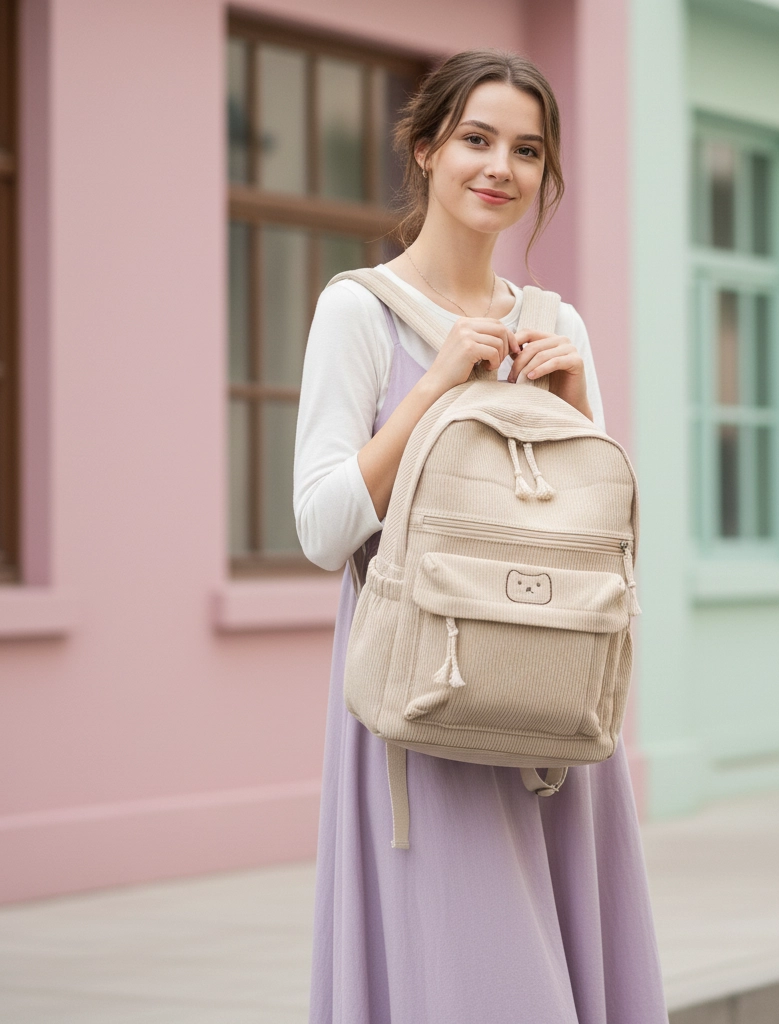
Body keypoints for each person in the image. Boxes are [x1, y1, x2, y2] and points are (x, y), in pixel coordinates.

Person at [294, 48, 669, 1024]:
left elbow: (605, 544)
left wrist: (582, 415)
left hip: (549, 704)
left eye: (528, 149)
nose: (501, 165)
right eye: (476, 138)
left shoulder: (557, 326)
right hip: (427, 701)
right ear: (423, 149)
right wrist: (431, 389)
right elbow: (323, 528)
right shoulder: (359, 311)